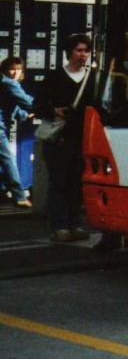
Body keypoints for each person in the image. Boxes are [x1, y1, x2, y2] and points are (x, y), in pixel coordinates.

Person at [35, 33, 97, 243]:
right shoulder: (55, 77)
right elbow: (38, 105)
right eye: (78, 50)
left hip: (82, 138)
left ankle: (75, 224)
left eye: (86, 51)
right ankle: (60, 226)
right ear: (69, 52)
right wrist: (54, 111)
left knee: (76, 183)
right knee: (59, 182)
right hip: (59, 138)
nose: (83, 54)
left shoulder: (92, 78)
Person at [0, 56, 34, 208]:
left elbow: (12, 105)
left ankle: (5, 189)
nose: (15, 72)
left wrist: (25, 115)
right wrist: (47, 107)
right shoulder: (10, 83)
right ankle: (19, 196)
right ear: (5, 70)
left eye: (18, 69)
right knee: (8, 160)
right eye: (12, 69)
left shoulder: (5, 83)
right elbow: (27, 101)